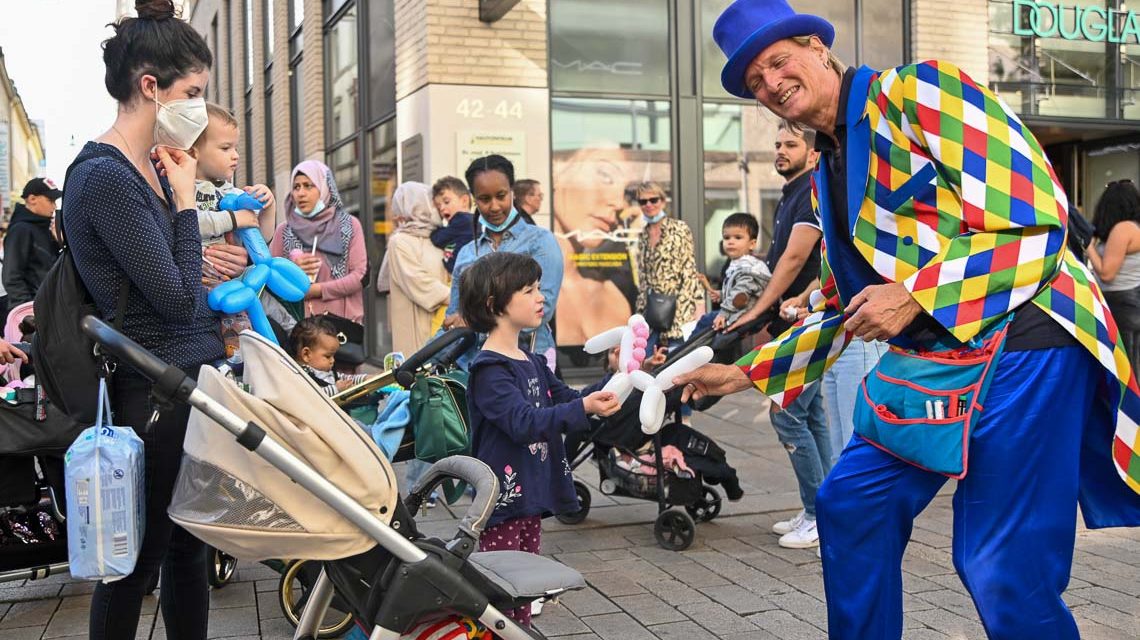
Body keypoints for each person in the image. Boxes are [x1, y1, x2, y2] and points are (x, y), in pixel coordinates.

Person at [673, 2, 1140, 638]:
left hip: (1030, 341)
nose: (771, 84)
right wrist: (741, 374)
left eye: (778, 62)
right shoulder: (828, 169)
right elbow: (845, 306)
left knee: (1000, 562)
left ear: (817, 46)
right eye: (755, 81)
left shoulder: (920, 90)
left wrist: (916, 296)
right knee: (850, 506)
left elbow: (1037, 221)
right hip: (940, 362)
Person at [64, 2, 242, 637]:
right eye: (193, 92)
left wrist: (203, 263)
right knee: (136, 564)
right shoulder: (106, 177)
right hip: (153, 391)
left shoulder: (153, 169)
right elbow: (170, 298)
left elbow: (174, 277)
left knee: (188, 549)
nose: (198, 106)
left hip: (187, 381)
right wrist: (188, 207)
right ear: (150, 86)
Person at [459, 251, 619, 627]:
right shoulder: (489, 369)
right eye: (528, 290)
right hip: (503, 498)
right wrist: (584, 407)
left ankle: (521, 631)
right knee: (502, 589)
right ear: (494, 304)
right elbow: (523, 422)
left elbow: (566, 399)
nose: (540, 296)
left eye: (538, 288)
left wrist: (615, 377)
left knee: (526, 589)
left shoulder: (530, 360)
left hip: (530, 493)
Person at [442, 155, 563, 372]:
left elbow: (542, 310)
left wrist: (474, 322)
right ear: (473, 199)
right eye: (484, 199)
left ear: (512, 191)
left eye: (501, 196)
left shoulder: (541, 242)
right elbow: (454, 319)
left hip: (528, 364)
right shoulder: (467, 253)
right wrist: (418, 361)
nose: (494, 206)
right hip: (474, 368)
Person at [188, 102, 276, 357]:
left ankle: (242, 359)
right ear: (194, 151)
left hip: (229, 278)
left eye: (235, 148)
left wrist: (268, 206)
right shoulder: (182, 188)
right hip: (197, 275)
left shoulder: (234, 193)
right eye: (225, 148)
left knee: (242, 320)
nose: (235, 155)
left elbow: (261, 239)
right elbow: (190, 222)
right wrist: (234, 219)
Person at [550, 147, 641, 346]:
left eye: (627, 193)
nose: (619, 203)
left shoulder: (613, 297)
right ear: (557, 170)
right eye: (606, 176)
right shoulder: (530, 290)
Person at [271, 159, 367, 323]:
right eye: (296, 187)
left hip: (341, 325)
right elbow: (272, 278)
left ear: (324, 188)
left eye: (308, 186)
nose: (301, 193)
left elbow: (359, 275)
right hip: (298, 325)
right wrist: (292, 269)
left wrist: (318, 290)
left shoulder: (348, 225)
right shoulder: (284, 231)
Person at [377, 182, 450, 356]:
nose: (436, 207)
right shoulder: (399, 241)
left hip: (443, 319)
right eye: (431, 202)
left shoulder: (440, 237)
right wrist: (455, 295)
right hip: (414, 321)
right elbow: (416, 280)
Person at [634, 181, 702, 352]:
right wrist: (639, 315)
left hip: (679, 310)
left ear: (663, 201)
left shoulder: (679, 229)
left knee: (677, 360)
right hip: (651, 312)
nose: (649, 205)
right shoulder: (642, 236)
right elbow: (643, 279)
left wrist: (698, 309)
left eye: (653, 200)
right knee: (645, 359)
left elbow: (689, 271)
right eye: (643, 201)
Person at [1087, 180, 1140, 372]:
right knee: (1131, 366)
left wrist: (1088, 246)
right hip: (1131, 300)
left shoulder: (1123, 229)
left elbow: (1107, 273)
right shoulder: (1134, 227)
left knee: (1124, 368)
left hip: (1120, 302)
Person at [693, 212, 771, 334]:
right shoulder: (738, 263)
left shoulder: (748, 267)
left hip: (740, 315)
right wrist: (722, 294)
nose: (731, 242)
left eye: (738, 238)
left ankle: (690, 346)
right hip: (737, 312)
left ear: (752, 244)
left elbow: (740, 294)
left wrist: (723, 314)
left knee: (705, 321)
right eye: (727, 237)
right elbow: (738, 291)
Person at [4, 178, 62, 306]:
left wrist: (59, 242)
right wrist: (27, 309)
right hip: (34, 310)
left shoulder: (43, 228)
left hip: (49, 306)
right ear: (32, 199)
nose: (54, 206)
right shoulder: (21, 230)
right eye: (50, 200)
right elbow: (12, 277)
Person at [288, 316, 369, 396]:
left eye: (333, 356)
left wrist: (365, 378)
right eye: (328, 356)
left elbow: (345, 379)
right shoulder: (300, 376)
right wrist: (336, 389)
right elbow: (311, 396)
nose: (333, 360)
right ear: (306, 354)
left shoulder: (326, 372)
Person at [429, 176, 474, 274]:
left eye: (446, 202)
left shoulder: (463, 220)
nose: (441, 208)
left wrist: (433, 230)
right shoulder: (467, 222)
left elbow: (438, 239)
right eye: (438, 206)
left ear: (464, 201)